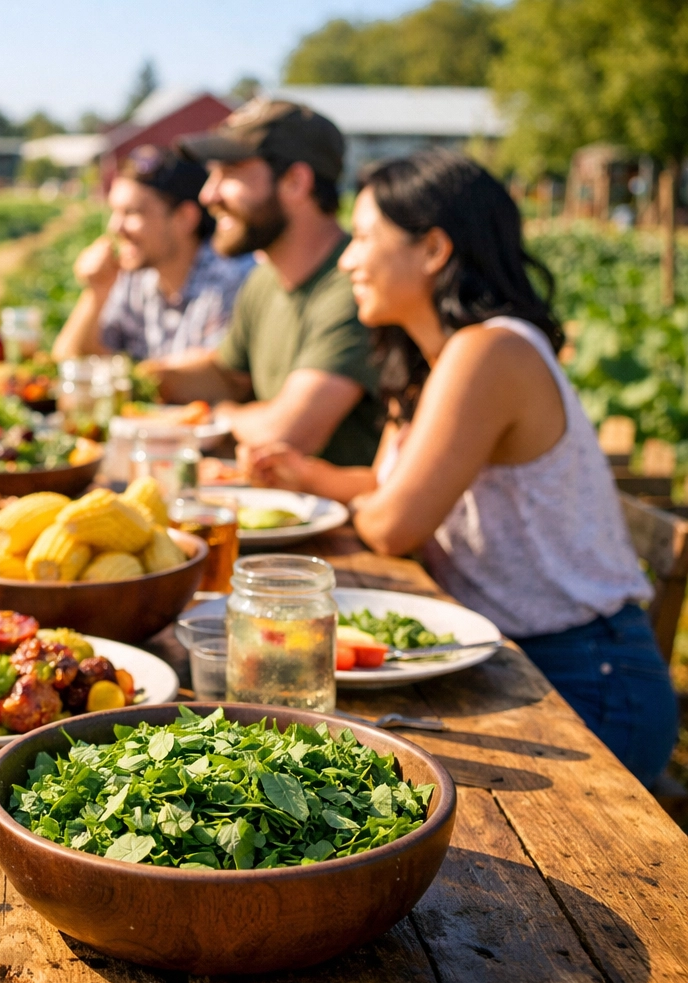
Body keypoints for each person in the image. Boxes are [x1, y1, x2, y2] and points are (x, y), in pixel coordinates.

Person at [247, 149, 675, 782]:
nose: (346, 259)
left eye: (364, 238)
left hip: (587, 680)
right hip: (505, 658)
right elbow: (390, 490)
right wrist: (302, 474)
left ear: (434, 250)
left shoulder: (490, 352)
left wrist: (365, 500)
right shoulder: (433, 359)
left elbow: (395, 524)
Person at [150, 100, 383, 467]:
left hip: (333, 519)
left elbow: (288, 434)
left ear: (295, 182)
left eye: (229, 173)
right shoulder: (264, 279)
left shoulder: (356, 286)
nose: (208, 195)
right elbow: (228, 375)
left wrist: (219, 416)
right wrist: (142, 378)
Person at [51, 145, 253, 363]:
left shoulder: (233, 280)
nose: (115, 227)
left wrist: (130, 375)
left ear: (185, 218)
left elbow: (222, 373)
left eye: (132, 212)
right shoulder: (136, 277)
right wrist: (96, 292)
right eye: (114, 211)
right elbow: (69, 359)